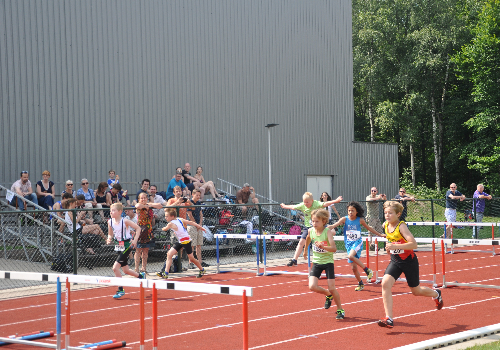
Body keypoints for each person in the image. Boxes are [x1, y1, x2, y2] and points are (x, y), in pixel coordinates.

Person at [378, 201, 443, 328]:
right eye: (385, 213)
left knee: (416, 291)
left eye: (390, 213)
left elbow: (413, 244)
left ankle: (436, 294)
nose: (387, 215)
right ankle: (389, 318)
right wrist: (389, 248)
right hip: (396, 261)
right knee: (385, 283)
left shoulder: (401, 226)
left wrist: (395, 245)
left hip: (409, 261)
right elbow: (391, 241)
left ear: (398, 214)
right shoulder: (385, 225)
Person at [328, 201, 385, 291]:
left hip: (357, 242)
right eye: (349, 210)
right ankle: (360, 283)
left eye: (352, 211)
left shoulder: (360, 220)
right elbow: (333, 225)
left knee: (350, 256)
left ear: (356, 212)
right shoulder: (344, 219)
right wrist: (322, 228)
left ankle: (367, 270)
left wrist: (379, 234)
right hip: (348, 244)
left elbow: (369, 228)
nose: (350, 212)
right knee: (354, 268)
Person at [302, 209, 345, 319]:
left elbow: (334, 248)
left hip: (328, 263)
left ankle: (340, 309)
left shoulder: (327, 232)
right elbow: (307, 238)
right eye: (313, 221)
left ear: (324, 221)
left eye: (317, 221)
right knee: (312, 286)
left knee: (332, 287)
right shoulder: (311, 231)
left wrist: (323, 247)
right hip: (316, 262)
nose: (314, 224)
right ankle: (328, 295)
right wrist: (305, 249)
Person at [280, 192, 342, 266]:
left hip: (319, 226)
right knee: (301, 242)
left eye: (307, 202)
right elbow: (293, 207)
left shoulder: (316, 204)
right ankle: (294, 260)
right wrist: (284, 206)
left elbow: (325, 204)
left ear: (312, 200)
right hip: (308, 227)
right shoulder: (303, 205)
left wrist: (336, 201)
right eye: (304, 202)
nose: (306, 204)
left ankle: (328, 245)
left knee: (333, 232)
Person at [105, 202, 146, 299]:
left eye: (113, 210)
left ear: (120, 212)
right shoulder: (110, 222)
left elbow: (138, 228)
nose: (111, 212)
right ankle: (141, 276)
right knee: (125, 270)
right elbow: (110, 233)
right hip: (118, 245)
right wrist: (109, 238)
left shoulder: (125, 221)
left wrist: (135, 240)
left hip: (127, 245)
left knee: (115, 268)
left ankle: (120, 289)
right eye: (110, 210)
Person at [157, 208, 207, 279]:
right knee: (169, 254)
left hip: (186, 241)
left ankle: (202, 269)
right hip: (180, 241)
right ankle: (166, 273)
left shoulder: (171, 223)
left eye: (167, 216)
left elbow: (165, 229)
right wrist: (200, 227)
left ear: (172, 216)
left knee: (191, 258)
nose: (165, 218)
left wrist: (162, 228)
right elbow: (191, 223)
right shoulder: (179, 219)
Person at [134, 192, 164, 273]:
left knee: (146, 250)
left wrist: (149, 205)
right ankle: (136, 268)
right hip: (140, 230)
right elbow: (137, 205)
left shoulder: (149, 205)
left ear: (147, 198)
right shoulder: (139, 206)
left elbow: (160, 205)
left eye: (145, 198)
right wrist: (145, 206)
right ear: (139, 199)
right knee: (138, 250)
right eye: (142, 198)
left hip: (148, 230)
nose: (143, 199)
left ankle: (143, 268)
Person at [187, 189, 208, 268]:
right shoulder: (190, 203)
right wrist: (196, 224)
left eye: (199, 195)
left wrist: (200, 224)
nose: (198, 197)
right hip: (192, 226)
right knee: (192, 244)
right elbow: (190, 215)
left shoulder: (199, 203)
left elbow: (201, 214)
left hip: (198, 225)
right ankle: (190, 262)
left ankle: (200, 261)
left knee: (199, 244)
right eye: (197, 195)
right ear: (193, 194)